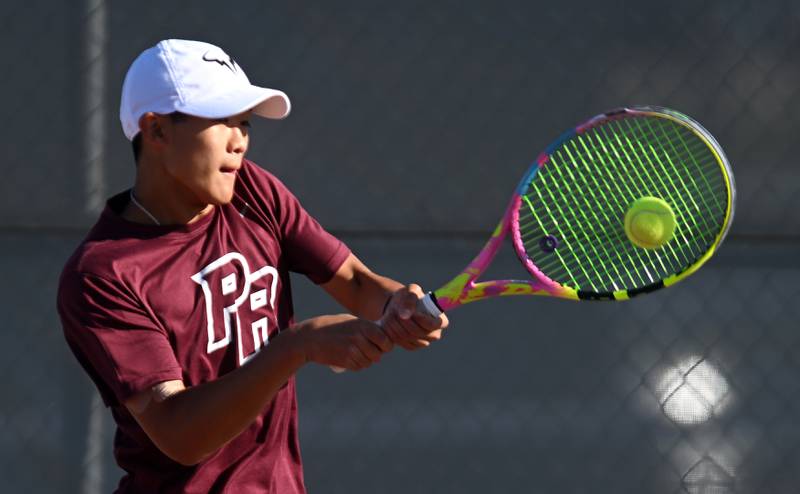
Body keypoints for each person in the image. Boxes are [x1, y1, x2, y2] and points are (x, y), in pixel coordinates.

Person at [57, 39, 448, 493]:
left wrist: (396, 305)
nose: (240, 140)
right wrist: (297, 346)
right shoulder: (103, 275)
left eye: (243, 122)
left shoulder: (253, 192)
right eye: (222, 121)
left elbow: (356, 282)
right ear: (157, 130)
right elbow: (180, 433)